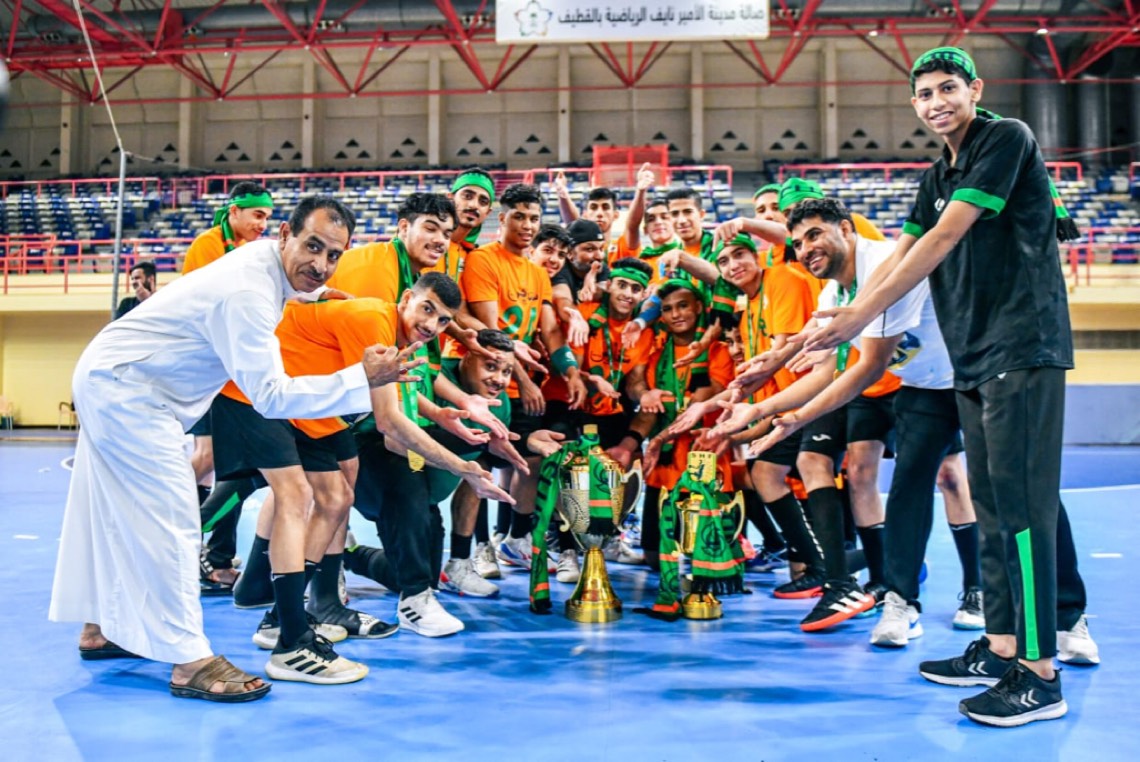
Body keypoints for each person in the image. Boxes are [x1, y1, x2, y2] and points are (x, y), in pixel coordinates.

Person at [803, 47, 1083, 727]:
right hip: (974, 356)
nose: (936, 102)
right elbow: (901, 251)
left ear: (974, 89)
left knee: (1023, 513)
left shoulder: (1005, 138)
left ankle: (1040, 675)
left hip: (1023, 345)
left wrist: (858, 318)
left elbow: (944, 238)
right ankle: (1002, 645)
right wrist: (833, 320)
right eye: (925, 93)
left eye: (948, 88)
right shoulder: (936, 174)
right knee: (991, 506)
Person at [49, 196, 420, 703]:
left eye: (334, 254)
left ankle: (99, 628)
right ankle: (190, 661)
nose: (321, 264)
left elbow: (294, 288)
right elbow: (271, 397)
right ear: (285, 234)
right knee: (173, 519)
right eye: (313, 246)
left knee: (108, 511)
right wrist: (362, 377)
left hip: (114, 375)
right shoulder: (249, 292)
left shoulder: (266, 266)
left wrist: (319, 292)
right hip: (129, 390)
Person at [183, 182, 275, 583]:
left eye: (267, 217)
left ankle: (216, 555)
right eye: (257, 215)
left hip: (234, 375)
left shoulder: (251, 249)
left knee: (229, 470)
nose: (262, 224)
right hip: (208, 372)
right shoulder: (208, 246)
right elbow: (207, 305)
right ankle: (176, 534)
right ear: (234, 211)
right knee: (208, 460)